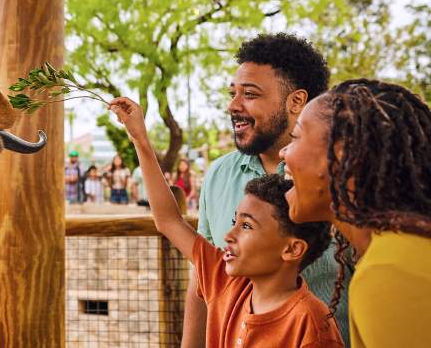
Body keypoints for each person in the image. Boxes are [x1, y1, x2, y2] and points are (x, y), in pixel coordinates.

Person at [110, 97, 343, 347]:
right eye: (235, 221)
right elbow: (168, 220)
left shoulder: (312, 327)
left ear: (292, 249)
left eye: (246, 226)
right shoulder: (225, 281)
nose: (228, 235)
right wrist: (140, 139)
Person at [187, 33, 349, 347]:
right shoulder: (218, 175)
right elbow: (203, 276)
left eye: (250, 94)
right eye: (233, 93)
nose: (233, 106)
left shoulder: (340, 177)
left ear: (297, 101)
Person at [281, 79, 431, 348]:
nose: (283, 153)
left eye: (295, 137)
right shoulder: (398, 253)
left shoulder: (389, 273)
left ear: (342, 154)